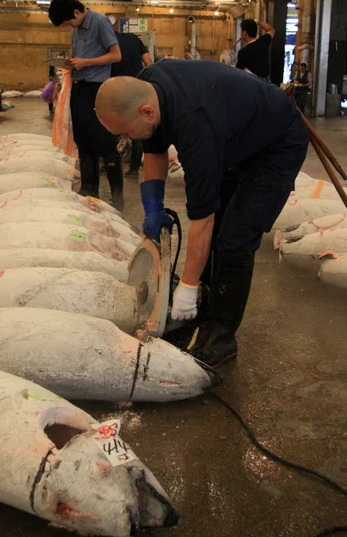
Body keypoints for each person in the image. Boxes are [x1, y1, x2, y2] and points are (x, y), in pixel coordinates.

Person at [95, 60, 309, 368]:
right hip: (235, 132)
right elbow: (153, 145)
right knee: (221, 222)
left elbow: (202, 220)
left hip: (277, 146)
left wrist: (188, 285)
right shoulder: (148, 85)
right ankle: (205, 308)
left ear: (146, 112)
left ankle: (222, 336)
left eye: (126, 133)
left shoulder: (195, 126)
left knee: (234, 238)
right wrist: (152, 206)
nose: (128, 140)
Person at [48, 0, 124, 211]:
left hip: (97, 89)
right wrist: (71, 64)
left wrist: (86, 62)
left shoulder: (100, 22)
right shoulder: (75, 30)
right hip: (79, 87)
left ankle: (117, 197)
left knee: (104, 141)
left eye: (68, 21)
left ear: (76, 12)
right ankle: (90, 190)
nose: (69, 26)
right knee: (83, 139)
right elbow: (81, 59)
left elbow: (116, 55)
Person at [111, 31, 152, 178]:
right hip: (136, 87)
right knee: (137, 129)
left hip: (115, 87)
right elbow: (148, 62)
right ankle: (134, 169)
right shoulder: (134, 39)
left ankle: (111, 164)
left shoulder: (107, 40)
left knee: (112, 126)